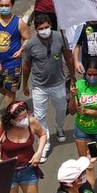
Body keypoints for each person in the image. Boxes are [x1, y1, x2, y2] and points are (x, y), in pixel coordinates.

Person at [22, 13, 69, 163]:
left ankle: (59, 127)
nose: (44, 30)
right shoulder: (31, 45)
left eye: (47, 27)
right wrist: (24, 84)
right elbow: (26, 65)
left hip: (58, 83)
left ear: (51, 25)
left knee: (62, 109)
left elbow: (68, 57)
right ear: (36, 30)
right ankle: (45, 144)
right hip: (39, 86)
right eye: (41, 28)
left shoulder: (60, 37)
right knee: (40, 116)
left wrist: (72, 77)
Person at [0, 101, 47, 193]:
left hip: (28, 170)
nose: (26, 119)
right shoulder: (1, 126)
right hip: (8, 173)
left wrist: (39, 152)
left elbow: (43, 134)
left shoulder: (31, 122)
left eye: (26, 114)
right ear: (12, 121)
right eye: (22, 118)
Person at [68, 59, 97, 179]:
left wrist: (88, 111)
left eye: (95, 75)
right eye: (89, 74)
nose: (92, 77)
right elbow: (72, 111)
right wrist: (72, 96)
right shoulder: (79, 85)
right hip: (82, 131)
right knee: (86, 163)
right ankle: (88, 188)